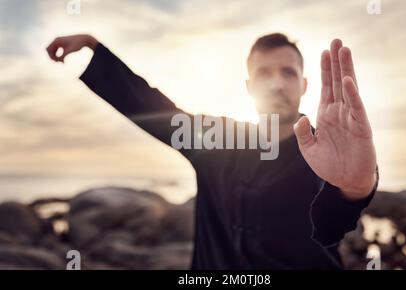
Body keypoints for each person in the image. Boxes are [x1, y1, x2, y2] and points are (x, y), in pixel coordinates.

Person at [47, 32, 379, 269]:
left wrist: (357, 184)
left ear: (304, 84)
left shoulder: (326, 153)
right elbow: (151, 107)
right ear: (249, 86)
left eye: (288, 72)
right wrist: (94, 48)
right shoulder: (216, 140)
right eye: (264, 72)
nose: (277, 82)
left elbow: (336, 216)